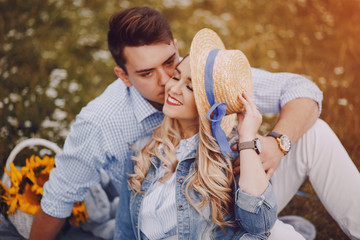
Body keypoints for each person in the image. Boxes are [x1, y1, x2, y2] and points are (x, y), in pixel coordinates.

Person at [30, 6, 360, 240]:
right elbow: (58, 198)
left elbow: (304, 91)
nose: (167, 83)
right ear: (123, 76)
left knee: (314, 133)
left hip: (242, 193)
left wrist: (276, 142)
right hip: (176, 220)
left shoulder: (201, 74)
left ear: (177, 47)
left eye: (171, 65)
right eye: (146, 74)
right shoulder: (102, 122)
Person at [116, 29, 277, 239]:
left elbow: (260, 225)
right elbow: (125, 231)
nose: (173, 88)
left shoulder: (235, 155)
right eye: (176, 77)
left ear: (209, 105)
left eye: (190, 88)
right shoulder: (143, 149)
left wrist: (247, 139)